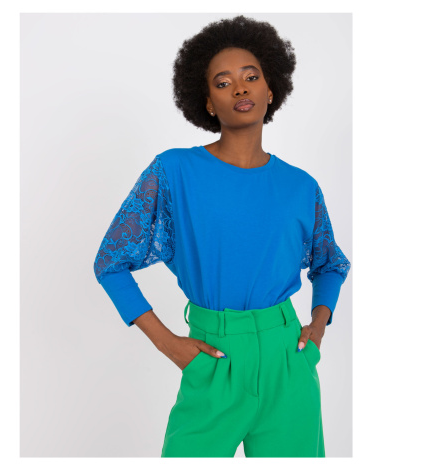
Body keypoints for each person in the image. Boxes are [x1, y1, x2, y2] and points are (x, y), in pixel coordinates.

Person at [93, 15, 351, 458]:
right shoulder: (174, 171)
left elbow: (330, 263)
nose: (240, 89)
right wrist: (169, 344)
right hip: (212, 358)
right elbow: (110, 263)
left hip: (288, 360)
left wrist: (318, 327)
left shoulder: (300, 186)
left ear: (271, 90)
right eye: (223, 82)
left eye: (251, 77)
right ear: (209, 103)